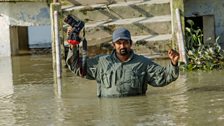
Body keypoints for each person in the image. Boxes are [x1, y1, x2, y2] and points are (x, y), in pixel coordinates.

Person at [66, 27, 180, 97]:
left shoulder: (143, 63)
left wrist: (174, 63)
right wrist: (73, 44)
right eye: (119, 43)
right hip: (109, 116)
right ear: (113, 45)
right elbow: (76, 67)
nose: (122, 46)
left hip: (134, 112)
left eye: (125, 42)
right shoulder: (101, 62)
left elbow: (164, 77)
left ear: (130, 43)